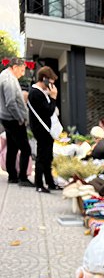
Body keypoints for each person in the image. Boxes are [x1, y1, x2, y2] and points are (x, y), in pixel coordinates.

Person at [0, 57, 34, 187]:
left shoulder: (6, 76)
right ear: (14, 67)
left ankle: (13, 176)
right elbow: (11, 102)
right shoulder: (8, 79)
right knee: (25, 149)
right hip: (13, 119)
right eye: (21, 70)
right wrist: (20, 117)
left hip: (9, 118)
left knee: (13, 148)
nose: (22, 73)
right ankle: (22, 178)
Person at [28, 66, 60, 193]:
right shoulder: (36, 93)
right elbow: (48, 111)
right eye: (51, 81)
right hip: (42, 130)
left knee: (48, 157)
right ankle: (39, 184)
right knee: (42, 157)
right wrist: (53, 98)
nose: (52, 85)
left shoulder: (40, 92)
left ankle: (50, 182)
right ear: (45, 79)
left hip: (45, 129)